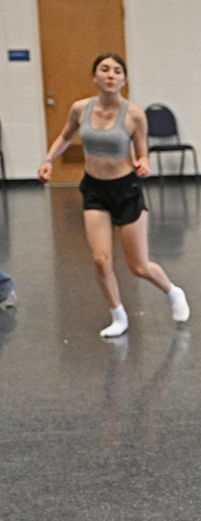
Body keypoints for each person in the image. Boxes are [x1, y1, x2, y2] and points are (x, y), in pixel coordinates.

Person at [38, 53, 190, 338]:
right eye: (104, 69)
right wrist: (48, 160)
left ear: (124, 79)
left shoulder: (134, 114)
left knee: (138, 266)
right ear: (95, 77)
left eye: (117, 71)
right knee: (101, 259)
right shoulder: (80, 108)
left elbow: (142, 151)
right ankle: (118, 315)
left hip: (126, 189)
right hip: (94, 189)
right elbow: (66, 137)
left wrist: (143, 162)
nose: (110, 75)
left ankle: (172, 291)